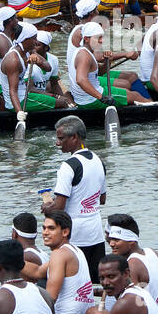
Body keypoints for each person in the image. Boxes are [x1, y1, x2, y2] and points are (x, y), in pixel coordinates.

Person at [41, 116, 107, 277]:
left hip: (76, 236)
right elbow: (102, 199)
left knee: (74, 283)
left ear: (74, 137)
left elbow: (59, 209)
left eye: (61, 138)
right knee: (96, 283)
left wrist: (47, 207)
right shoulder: (98, 160)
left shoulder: (68, 166)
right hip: (96, 233)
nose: (57, 143)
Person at [22, 211, 93, 314]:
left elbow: (49, 298)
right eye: (43, 228)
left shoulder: (59, 254)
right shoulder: (75, 250)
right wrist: (9, 260)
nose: (45, 232)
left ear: (65, 232)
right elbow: (37, 272)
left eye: (51, 228)